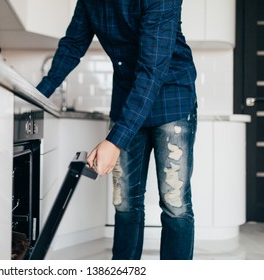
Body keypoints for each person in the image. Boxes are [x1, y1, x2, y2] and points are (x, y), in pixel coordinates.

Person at [36, 0, 197, 260]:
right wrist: (37, 95)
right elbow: (73, 45)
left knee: (174, 203)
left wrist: (115, 141)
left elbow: (151, 70)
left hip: (171, 100)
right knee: (125, 202)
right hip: (128, 101)